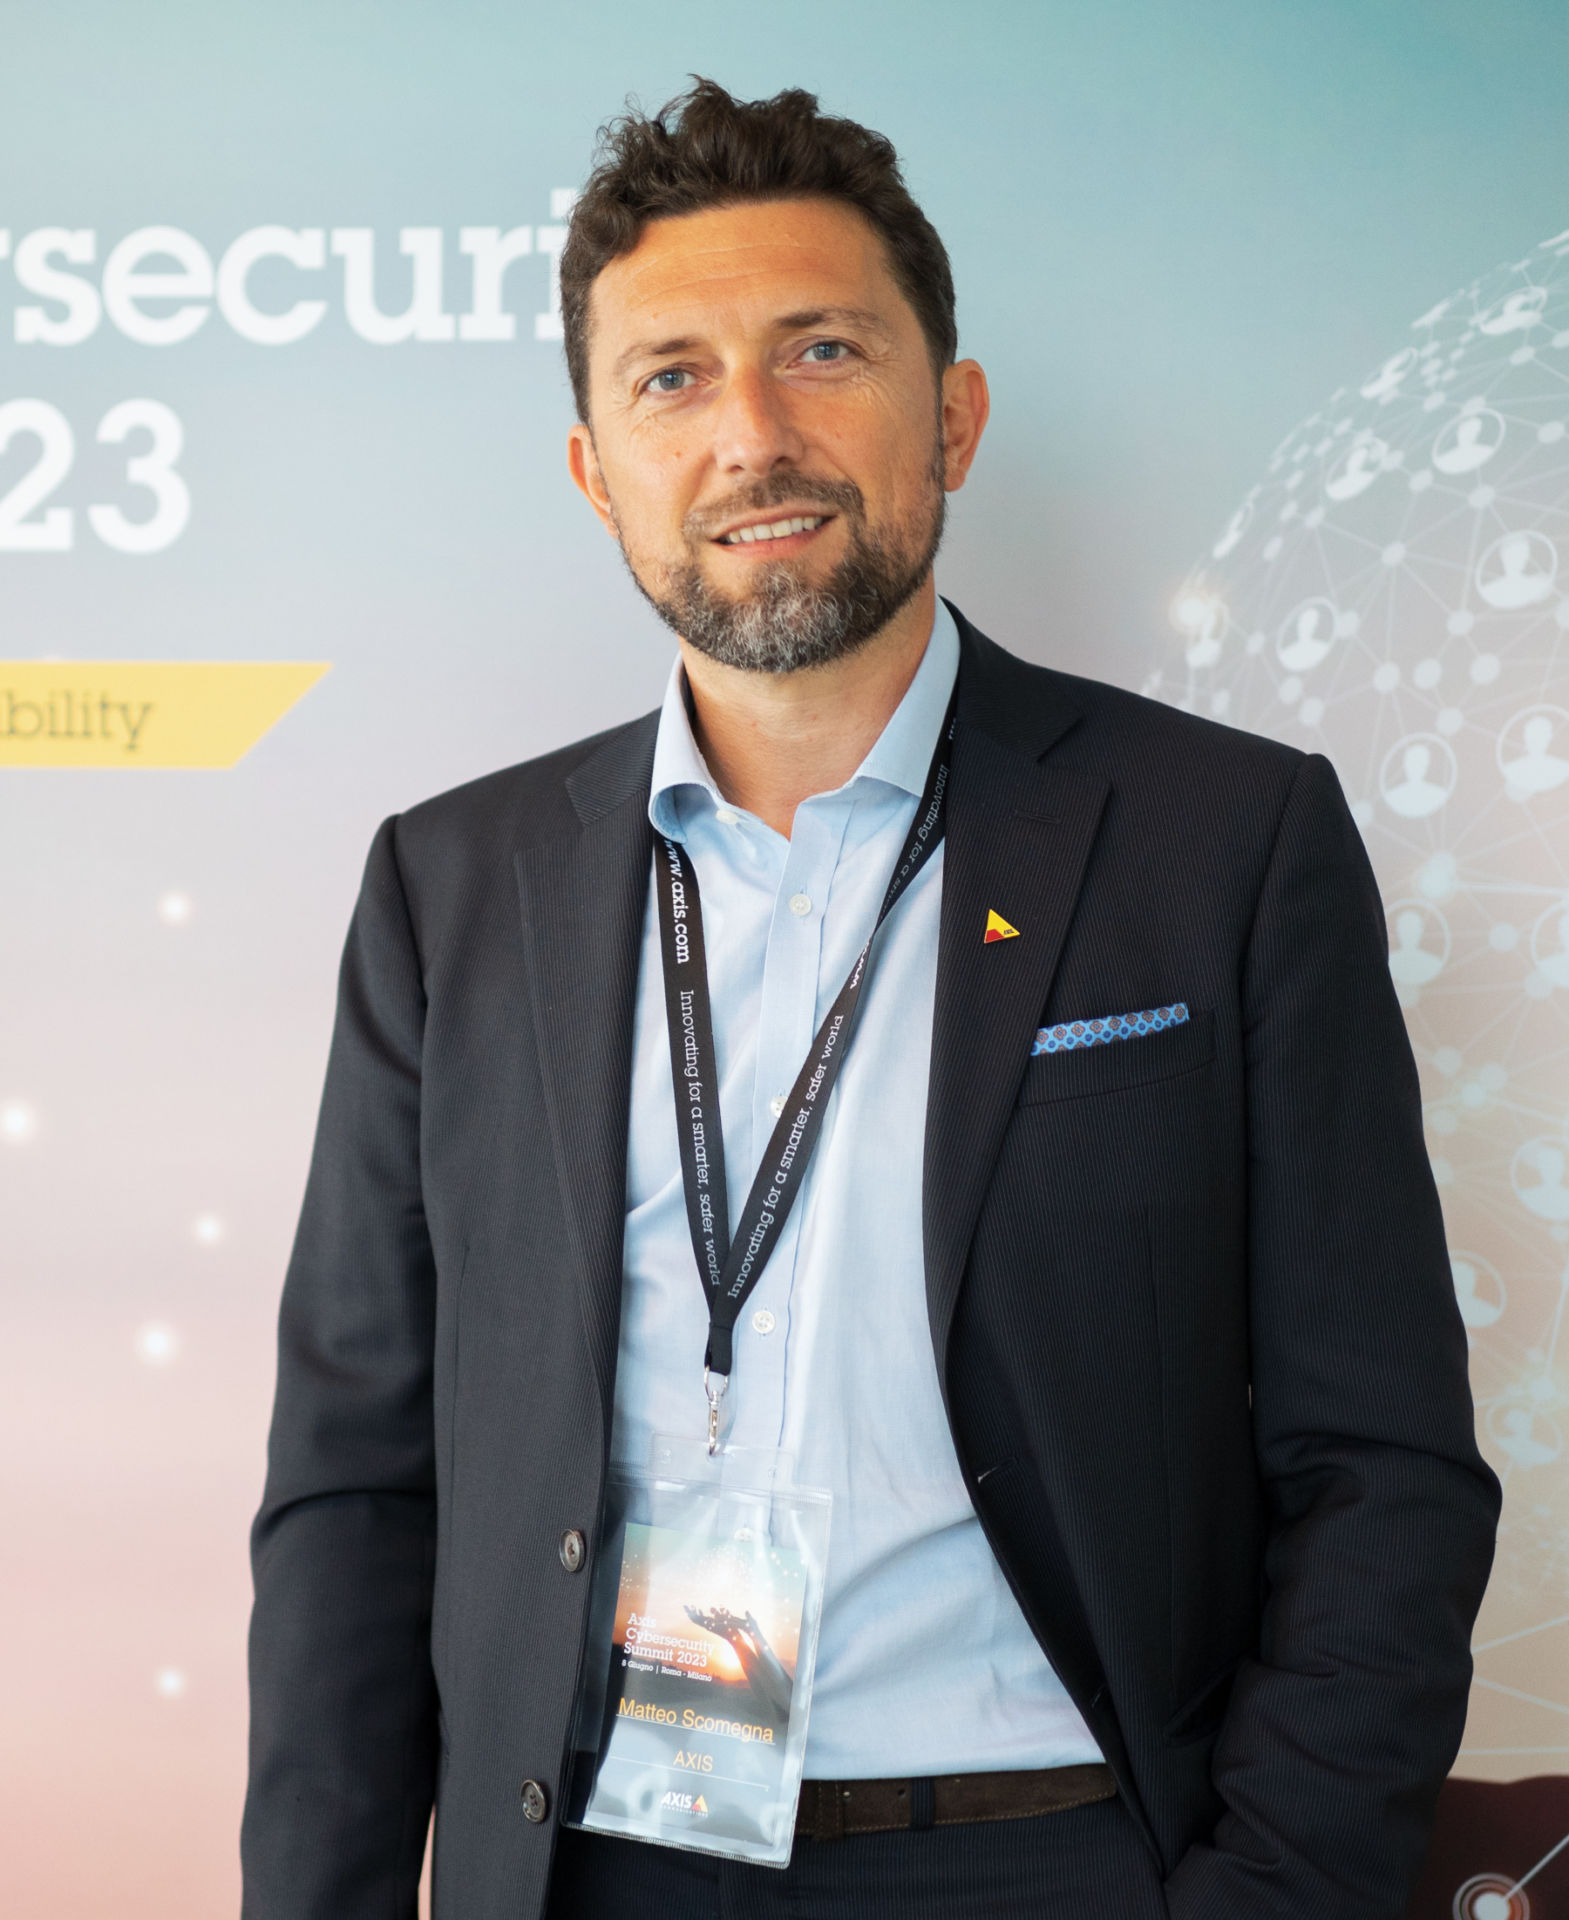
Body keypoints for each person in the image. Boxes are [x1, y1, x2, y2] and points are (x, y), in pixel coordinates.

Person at [240, 79, 1500, 1920]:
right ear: (595, 469)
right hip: (600, 1866)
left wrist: (1274, 1891)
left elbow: (1378, 1458)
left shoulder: (1222, 843)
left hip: (1058, 1859)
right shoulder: (453, 891)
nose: (752, 435)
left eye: (820, 351)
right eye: (671, 377)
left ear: (953, 416)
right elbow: (356, 1488)